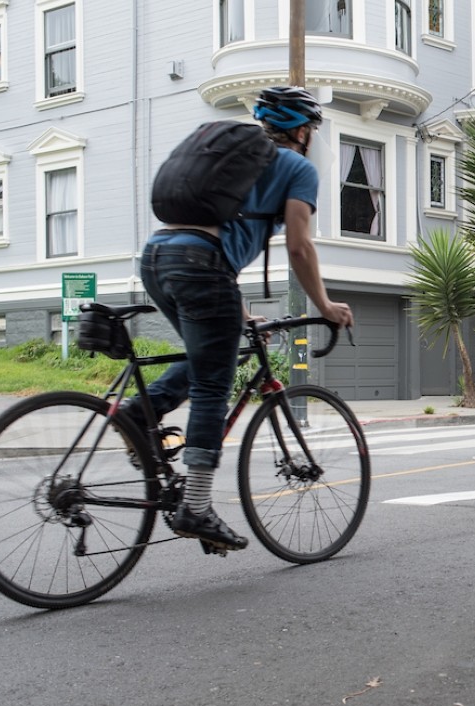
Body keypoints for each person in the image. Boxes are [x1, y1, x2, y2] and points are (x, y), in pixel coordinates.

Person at [128, 86, 354, 552]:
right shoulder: (295, 167)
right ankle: (195, 504)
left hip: (157, 257)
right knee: (216, 380)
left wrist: (239, 310)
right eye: (313, 128)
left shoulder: (232, 161)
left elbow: (217, 234)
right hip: (200, 266)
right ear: (303, 131)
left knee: (211, 352)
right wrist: (325, 307)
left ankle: (141, 412)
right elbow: (299, 247)